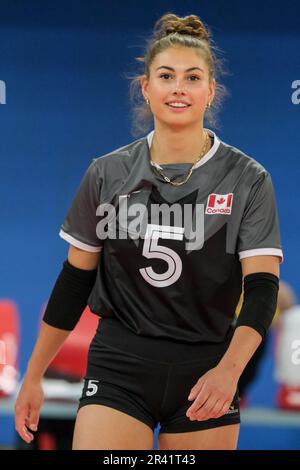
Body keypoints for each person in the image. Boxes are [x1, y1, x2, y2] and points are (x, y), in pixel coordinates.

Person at [14, 12, 283, 450]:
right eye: (166, 75)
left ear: (211, 90)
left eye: (193, 77)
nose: (179, 87)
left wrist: (229, 372)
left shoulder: (248, 179)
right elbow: (74, 281)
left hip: (207, 363)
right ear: (146, 87)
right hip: (120, 364)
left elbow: (261, 290)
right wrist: (33, 374)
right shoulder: (106, 174)